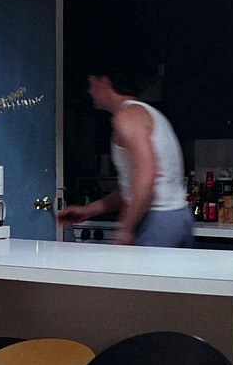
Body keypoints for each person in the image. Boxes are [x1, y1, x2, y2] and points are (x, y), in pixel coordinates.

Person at [57, 69, 194, 247]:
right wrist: (88, 211)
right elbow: (132, 188)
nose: (89, 92)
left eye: (91, 84)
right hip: (177, 217)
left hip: (157, 220)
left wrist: (126, 228)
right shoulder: (148, 114)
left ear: (104, 82)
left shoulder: (128, 116)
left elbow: (146, 176)